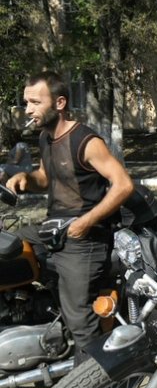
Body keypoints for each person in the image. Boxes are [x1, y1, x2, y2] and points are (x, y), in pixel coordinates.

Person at [6, 71, 134, 364]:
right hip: (53, 227)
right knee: (7, 248)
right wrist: (27, 179)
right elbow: (46, 177)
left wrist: (85, 222)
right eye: (26, 102)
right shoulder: (46, 138)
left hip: (85, 238)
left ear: (60, 103)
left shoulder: (85, 141)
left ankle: (96, 384)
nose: (28, 110)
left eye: (35, 102)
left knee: (80, 319)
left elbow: (123, 185)